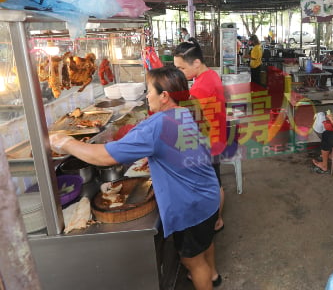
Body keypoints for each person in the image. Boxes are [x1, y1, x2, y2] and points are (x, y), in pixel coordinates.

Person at [49, 66, 222, 289]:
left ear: (165, 95)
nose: (147, 95)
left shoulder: (158, 125)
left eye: (149, 90)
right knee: (205, 243)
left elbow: (105, 157)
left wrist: (66, 142)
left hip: (190, 205)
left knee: (192, 261)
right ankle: (213, 275)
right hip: (208, 196)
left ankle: (205, 276)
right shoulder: (186, 112)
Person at [174, 38, 227, 233]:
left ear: (196, 63)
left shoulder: (199, 87)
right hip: (217, 136)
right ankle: (217, 216)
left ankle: (217, 220)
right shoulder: (211, 75)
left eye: (181, 68)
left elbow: (190, 119)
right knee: (215, 181)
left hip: (208, 142)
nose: (179, 72)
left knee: (213, 184)